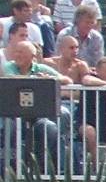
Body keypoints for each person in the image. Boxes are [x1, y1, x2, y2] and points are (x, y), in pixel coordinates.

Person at [1, 34, 66, 170]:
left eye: (22, 53)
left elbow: (66, 80)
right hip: (11, 116)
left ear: (32, 56)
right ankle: (11, 170)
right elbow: (8, 77)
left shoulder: (40, 69)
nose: (17, 55)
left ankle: (48, 173)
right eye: (16, 52)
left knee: (50, 128)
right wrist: (32, 79)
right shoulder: (8, 67)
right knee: (10, 128)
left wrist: (49, 80)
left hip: (36, 117)